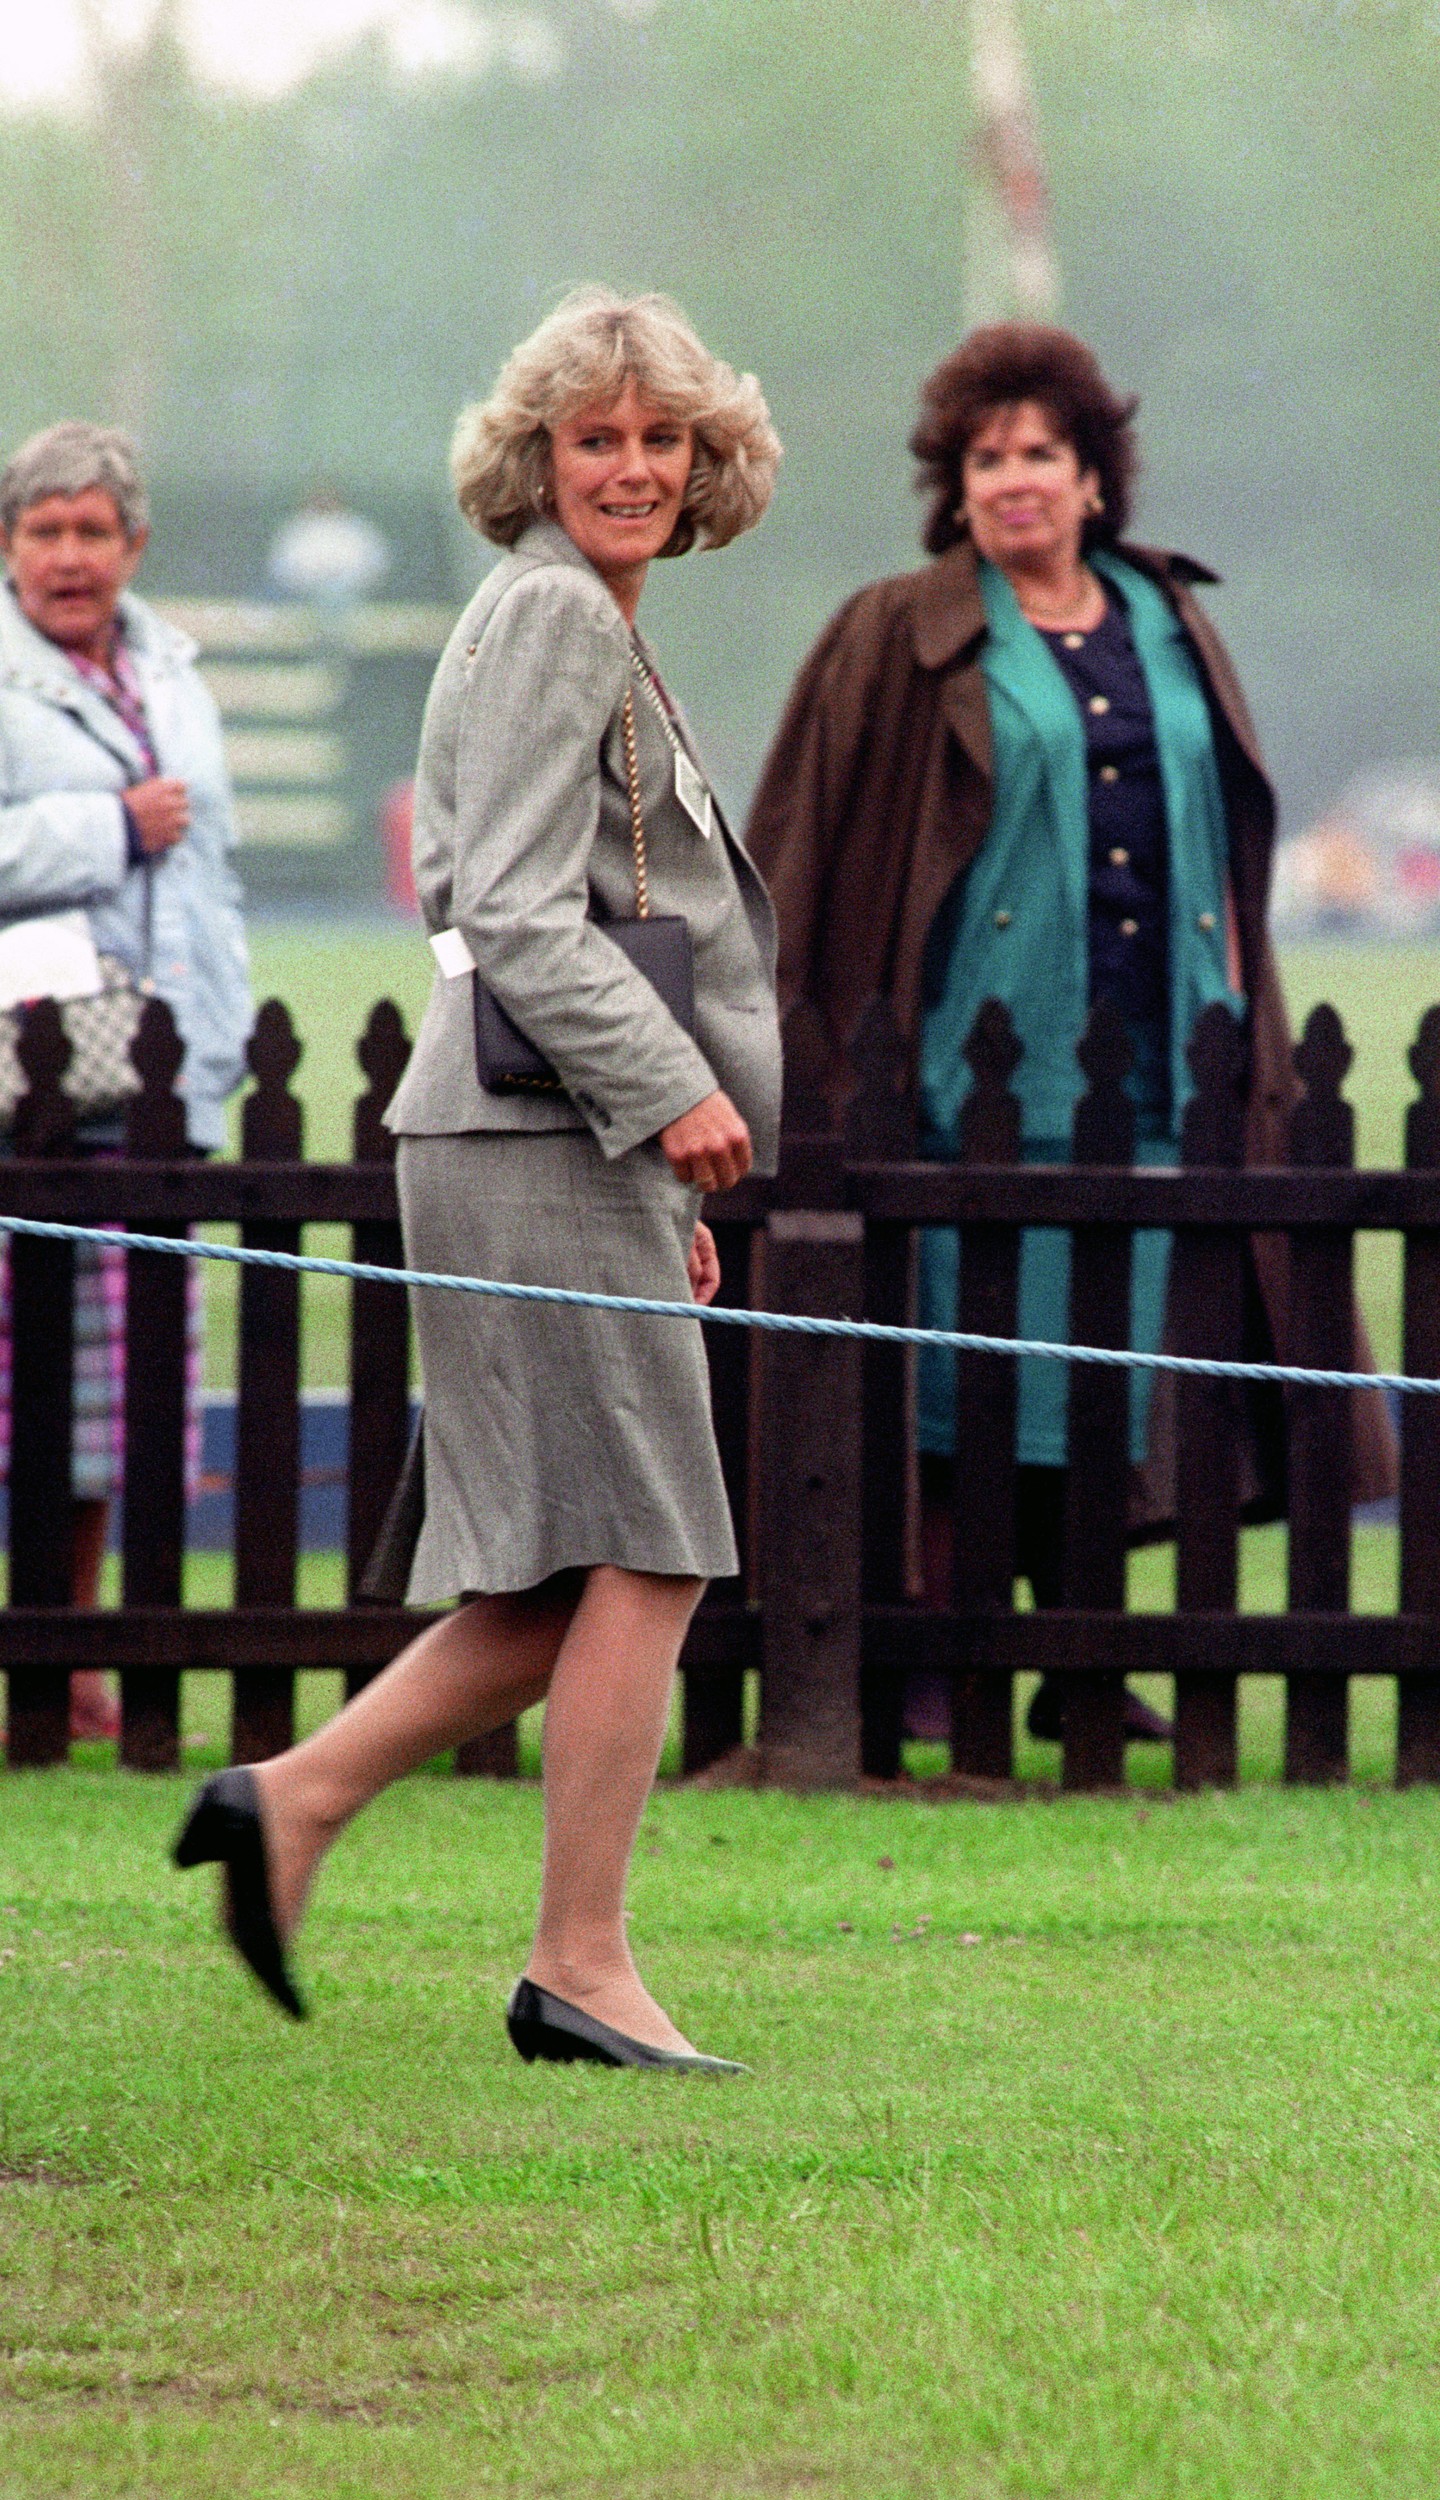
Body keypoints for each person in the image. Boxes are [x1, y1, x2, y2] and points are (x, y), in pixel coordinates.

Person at [174, 289, 783, 2070]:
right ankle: (578, 1963)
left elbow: (585, 905)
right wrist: (672, 1097)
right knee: (656, 1548)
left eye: (661, 438)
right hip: (535, 1128)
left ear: (706, 460)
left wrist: (660, 1191)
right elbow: (512, 907)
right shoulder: (549, 618)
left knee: (547, 1578)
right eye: (594, 439)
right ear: (535, 458)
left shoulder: (585, 618)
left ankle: (287, 1806)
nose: (631, 468)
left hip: (550, 1142)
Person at [745, 324, 1395, 1748]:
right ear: (954, 485)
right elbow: (800, 847)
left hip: (1163, 1066)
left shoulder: (1171, 625)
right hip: (961, 1078)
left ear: (1097, 478)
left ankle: (1086, 1660)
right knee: (947, 1372)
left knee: (1116, 1374)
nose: (1015, 478)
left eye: (1043, 451)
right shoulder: (891, 632)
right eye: (987, 457)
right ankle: (924, 1657)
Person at [0, 422, 252, 1739]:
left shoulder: (177, 673)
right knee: (11, 1386)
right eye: (43, 531)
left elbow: (210, 870)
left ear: (134, 546)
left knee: (113, 1391)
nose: (69, 556)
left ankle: (83, 1658)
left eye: (92, 531)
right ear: (8, 547)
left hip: (153, 1077)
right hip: (20, 1084)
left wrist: (223, 1033)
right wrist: (102, 829)